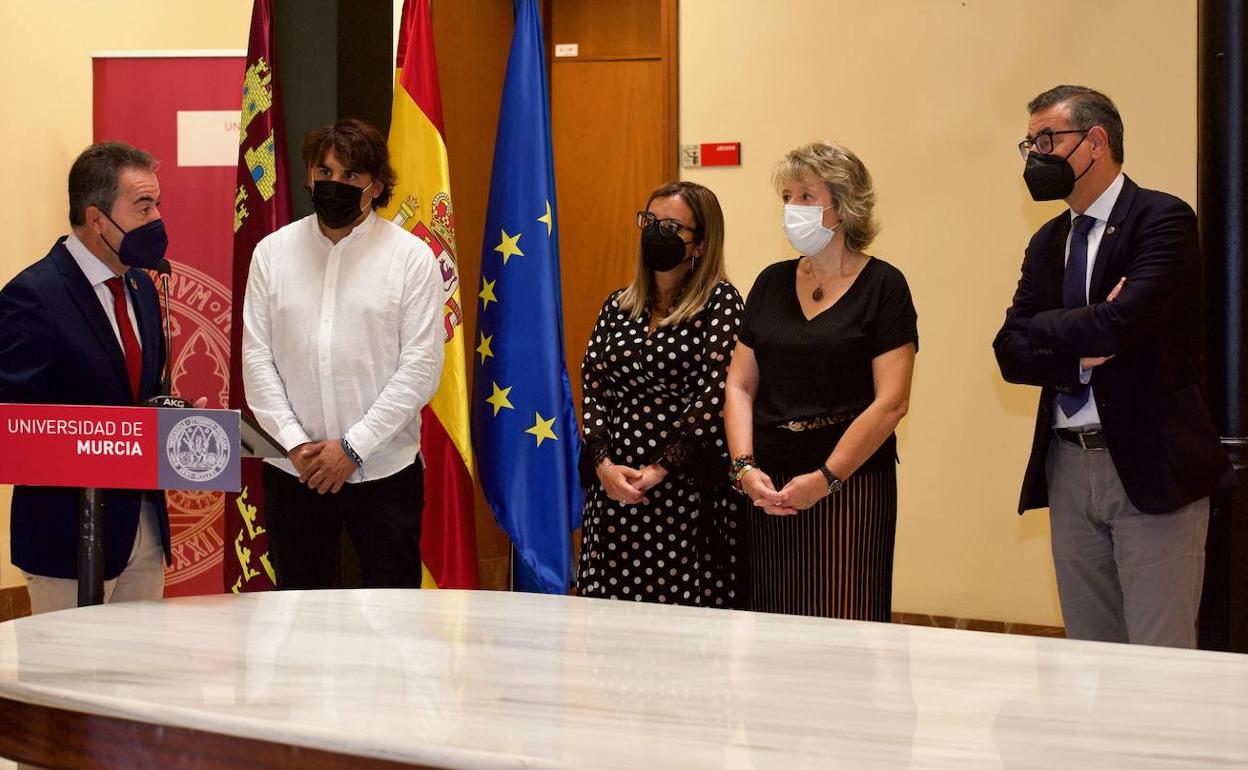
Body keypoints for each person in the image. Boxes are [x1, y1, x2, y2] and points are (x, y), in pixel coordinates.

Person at [994, 85, 1234, 648]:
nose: (1035, 156)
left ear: (1095, 142)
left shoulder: (1163, 219)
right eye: (1028, 143)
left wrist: (1061, 329)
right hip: (1069, 463)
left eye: (1046, 140)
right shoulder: (1047, 241)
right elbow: (1009, 349)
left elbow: (1122, 325)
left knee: (1159, 654)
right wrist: (1084, 334)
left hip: (1153, 464)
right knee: (1091, 652)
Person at [242, 118, 444, 590]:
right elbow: (256, 358)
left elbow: (420, 370)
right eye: (325, 172)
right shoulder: (271, 254)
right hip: (294, 470)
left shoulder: (411, 258)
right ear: (310, 176)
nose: (335, 185)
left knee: (389, 620)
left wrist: (352, 449)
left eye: (351, 176)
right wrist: (296, 444)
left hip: (383, 472)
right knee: (298, 615)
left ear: (375, 186)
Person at [725, 140, 917, 620]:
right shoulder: (770, 282)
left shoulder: (884, 287)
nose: (793, 209)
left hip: (849, 482)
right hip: (768, 483)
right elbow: (739, 385)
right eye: (787, 197)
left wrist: (827, 478)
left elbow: (891, 403)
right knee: (769, 625)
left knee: (842, 625)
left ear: (844, 206)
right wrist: (743, 467)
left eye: (806, 196)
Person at [0, 142, 172, 613]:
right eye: (143, 207)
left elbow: (140, 396)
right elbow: (16, 422)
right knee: (67, 680)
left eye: (157, 203)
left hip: (144, 527)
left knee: (143, 678)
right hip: (68, 534)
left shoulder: (140, 286)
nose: (157, 218)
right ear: (96, 218)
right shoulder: (32, 296)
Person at [576, 181, 743, 607]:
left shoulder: (721, 302)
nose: (655, 232)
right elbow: (593, 384)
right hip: (613, 484)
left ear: (700, 245)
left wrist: (660, 468)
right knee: (610, 614)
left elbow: (715, 391)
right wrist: (603, 465)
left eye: (671, 226)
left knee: (677, 622)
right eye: (650, 221)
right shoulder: (618, 305)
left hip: (684, 488)